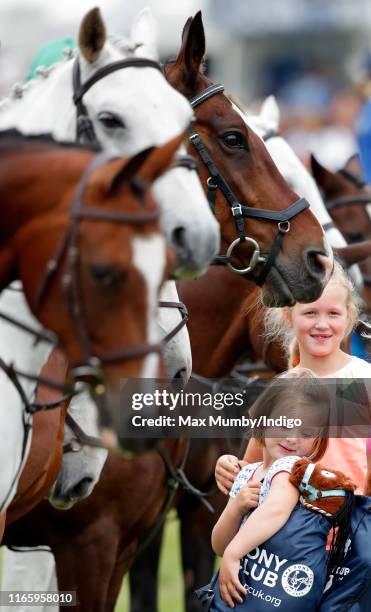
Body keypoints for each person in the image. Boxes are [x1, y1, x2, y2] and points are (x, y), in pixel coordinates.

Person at [199, 371, 354, 611]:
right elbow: (219, 545)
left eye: (305, 433)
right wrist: (235, 506)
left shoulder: (292, 468)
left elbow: (276, 510)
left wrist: (234, 553)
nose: (292, 439)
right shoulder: (248, 474)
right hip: (252, 593)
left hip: (280, 592)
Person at [215, 263, 371, 496]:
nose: (322, 323)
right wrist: (230, 467)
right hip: (291, 529)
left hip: (352, 524)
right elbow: (256, 467)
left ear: (348, 317)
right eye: (310, 312)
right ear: (288, 316)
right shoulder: (280, 389)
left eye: (333, 313)